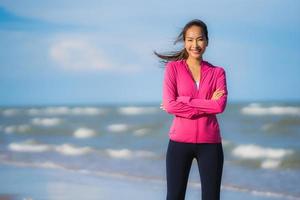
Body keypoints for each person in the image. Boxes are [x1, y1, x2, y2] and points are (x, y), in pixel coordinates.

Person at [154, 19, 228, 200]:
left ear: (207, 42)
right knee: (174, 196)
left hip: (210, 144)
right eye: (190, 40)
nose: (195, 45)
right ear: (185, 42)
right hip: (179, 143)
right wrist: (206, 104)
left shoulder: (218, 72)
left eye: (200, 39)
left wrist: (184, 101)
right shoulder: (173, 69)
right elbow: (170, 104)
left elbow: (219, 106)